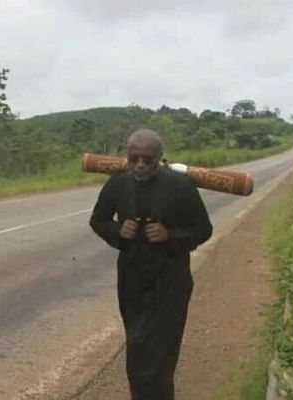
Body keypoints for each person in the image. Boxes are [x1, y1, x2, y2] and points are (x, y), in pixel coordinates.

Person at [89, 129, 213, 400]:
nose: (141, 165)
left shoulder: (180, 187)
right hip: (131, 276)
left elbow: (203, 229)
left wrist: (171, 236)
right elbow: (98, 220)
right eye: (134, 159)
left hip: (171, 277)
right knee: (137, 345)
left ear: (160, 158)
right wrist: (118, 232)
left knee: (163, 350)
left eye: (148, 159)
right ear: (127, 157)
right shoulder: (117, 184)